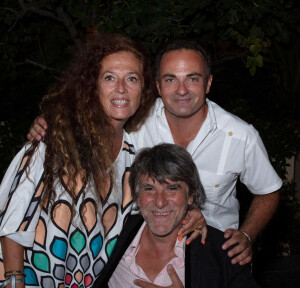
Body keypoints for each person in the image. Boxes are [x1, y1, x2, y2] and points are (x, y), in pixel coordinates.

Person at [27, 38, 282, 265]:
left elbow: (268, 191)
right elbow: (94, 116)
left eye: (192, 78)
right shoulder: (136, 119)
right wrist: (51, 122)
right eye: (171, 79)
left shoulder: (240, 136)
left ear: (208, 83)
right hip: (137, 252)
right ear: (158, 86)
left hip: (211, 256)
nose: (181, 90)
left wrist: (247, 235)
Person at [0, 35, 205, 288]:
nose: (121, 88)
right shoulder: (55, 140)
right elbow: (11, 216)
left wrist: (193, 212)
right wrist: (14, 285)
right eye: (109, 78)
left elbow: (157, 202)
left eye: (131, 78)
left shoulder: (133, 158)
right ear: (93, 87)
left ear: (143, 91)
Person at [86, 143, 265, 288]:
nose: (160, 201)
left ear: (190, 195)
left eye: (172, 188)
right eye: (149, 188)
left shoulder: (223, 254)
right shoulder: (112, 237)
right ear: (136, 196)